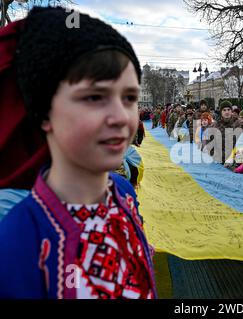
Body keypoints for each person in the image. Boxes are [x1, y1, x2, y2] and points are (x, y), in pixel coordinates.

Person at [0, 7, 157, 299]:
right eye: (95, 97)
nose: (121, 117)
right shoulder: (16, 241)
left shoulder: (124, 192)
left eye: (130, 97)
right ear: (45, 112)